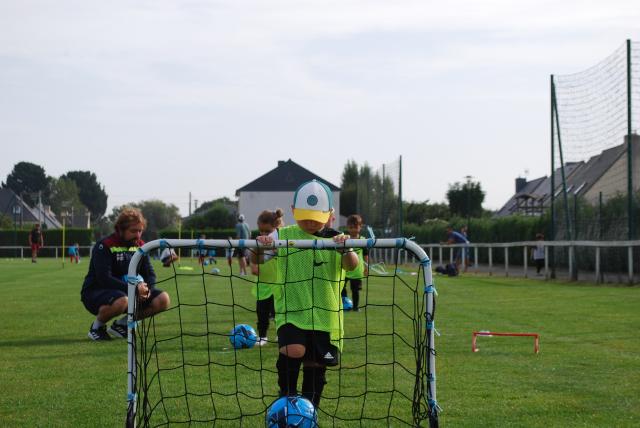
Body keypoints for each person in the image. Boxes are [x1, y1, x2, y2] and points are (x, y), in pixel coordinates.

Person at [254, 179, 358, 408]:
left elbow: (352, 266)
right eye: (304, 216)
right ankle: (286, 399)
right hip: (291, 311)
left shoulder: (337, 238)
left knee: (315, 366)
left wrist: (346, 248)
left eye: (316, 217)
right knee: (293, 349)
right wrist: (260, 248)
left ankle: (310, 411)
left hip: (326, 318)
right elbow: (257, 262)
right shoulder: (282, 235)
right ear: (293, 211)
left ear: (330, 214)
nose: (310, 222)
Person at [80, 208, 171, 341]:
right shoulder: (104, 246)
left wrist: (147, 290)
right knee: (122, 300)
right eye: (133, 231)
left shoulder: (141, 246)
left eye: (140, 231)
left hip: (127, 292)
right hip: (96, 292)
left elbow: (150, 273)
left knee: (163, 299)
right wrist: (134, 290)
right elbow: (104, 278)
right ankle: (97, 327)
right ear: (120, 230)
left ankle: (121, 325)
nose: (138, 235)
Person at [250, 208, 285, 346]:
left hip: (279, 283)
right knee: (262, 312)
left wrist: (275, 249)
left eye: (267, 231)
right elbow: (254, 262)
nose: (264, 234)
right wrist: (254, 266)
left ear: (275, 227)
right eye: (261, 231)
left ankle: (280, 334)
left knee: (280, 312)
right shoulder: (258, 242)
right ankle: (262, 336)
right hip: (263, 284)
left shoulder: (282, 240)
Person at [341, 214, 369, 312]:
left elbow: (366, 254)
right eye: (350, 227)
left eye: (355, 227)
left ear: (360, 227)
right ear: (347, 227)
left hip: (357, 271)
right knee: (341, 287)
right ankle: (344, 303)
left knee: (355, 290)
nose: (353, 230)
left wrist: (366, 267)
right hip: (345, 270)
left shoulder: (362, 240)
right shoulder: (344, 239)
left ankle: (355, 307)